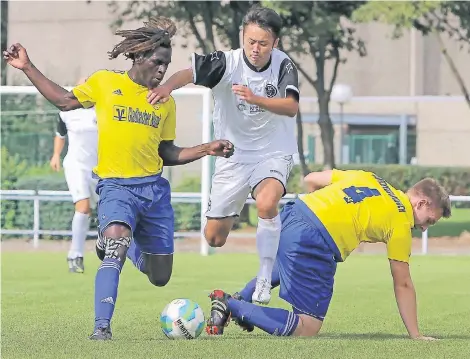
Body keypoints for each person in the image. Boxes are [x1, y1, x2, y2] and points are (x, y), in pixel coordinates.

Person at [3, 16, 234, 340]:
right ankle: (102, 328)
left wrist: (207, 148)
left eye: (166, 65)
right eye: (157, 62)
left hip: (153, 191)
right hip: (115, 187)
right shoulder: (105, 82)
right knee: (115, 248)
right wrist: (27, 66)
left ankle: (120, 243)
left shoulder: (164, 102)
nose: (162, 71)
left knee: (160, 276)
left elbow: (167, 153)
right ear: (139, 57)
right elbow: (64, 100)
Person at [147, 5, 300, 305]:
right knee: (214, 237)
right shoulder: (226, 63)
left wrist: (257, 98)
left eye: (263, 43)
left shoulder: (283, 65)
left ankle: (264, 279)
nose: (256, 49)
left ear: (276, 43)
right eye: (251, 41)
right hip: (234, 157)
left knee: (268, 203)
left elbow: (291, 106)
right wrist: (167, 87)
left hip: (273, 151)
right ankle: (234, 209)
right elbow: (188, 73)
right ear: (243, 36)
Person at [205, 169, 451, 340]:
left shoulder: (369, 178)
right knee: (308, 326)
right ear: (420, 204)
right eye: (429, 220)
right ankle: (231, 306)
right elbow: (403, 283)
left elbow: (311, 179)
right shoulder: (401, 220)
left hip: (295, 213)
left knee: (289, 262)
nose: (425, 227)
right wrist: (415, 335)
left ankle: (241, 297)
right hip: (315, 239)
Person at [49, 83, 98, 273]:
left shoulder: (101, 110)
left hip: (98, 168)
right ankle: (75, 255)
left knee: (98, 212)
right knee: (83, 207)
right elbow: (60, 134)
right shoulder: (66, 112)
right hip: (76, 165)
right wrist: (55, 155)